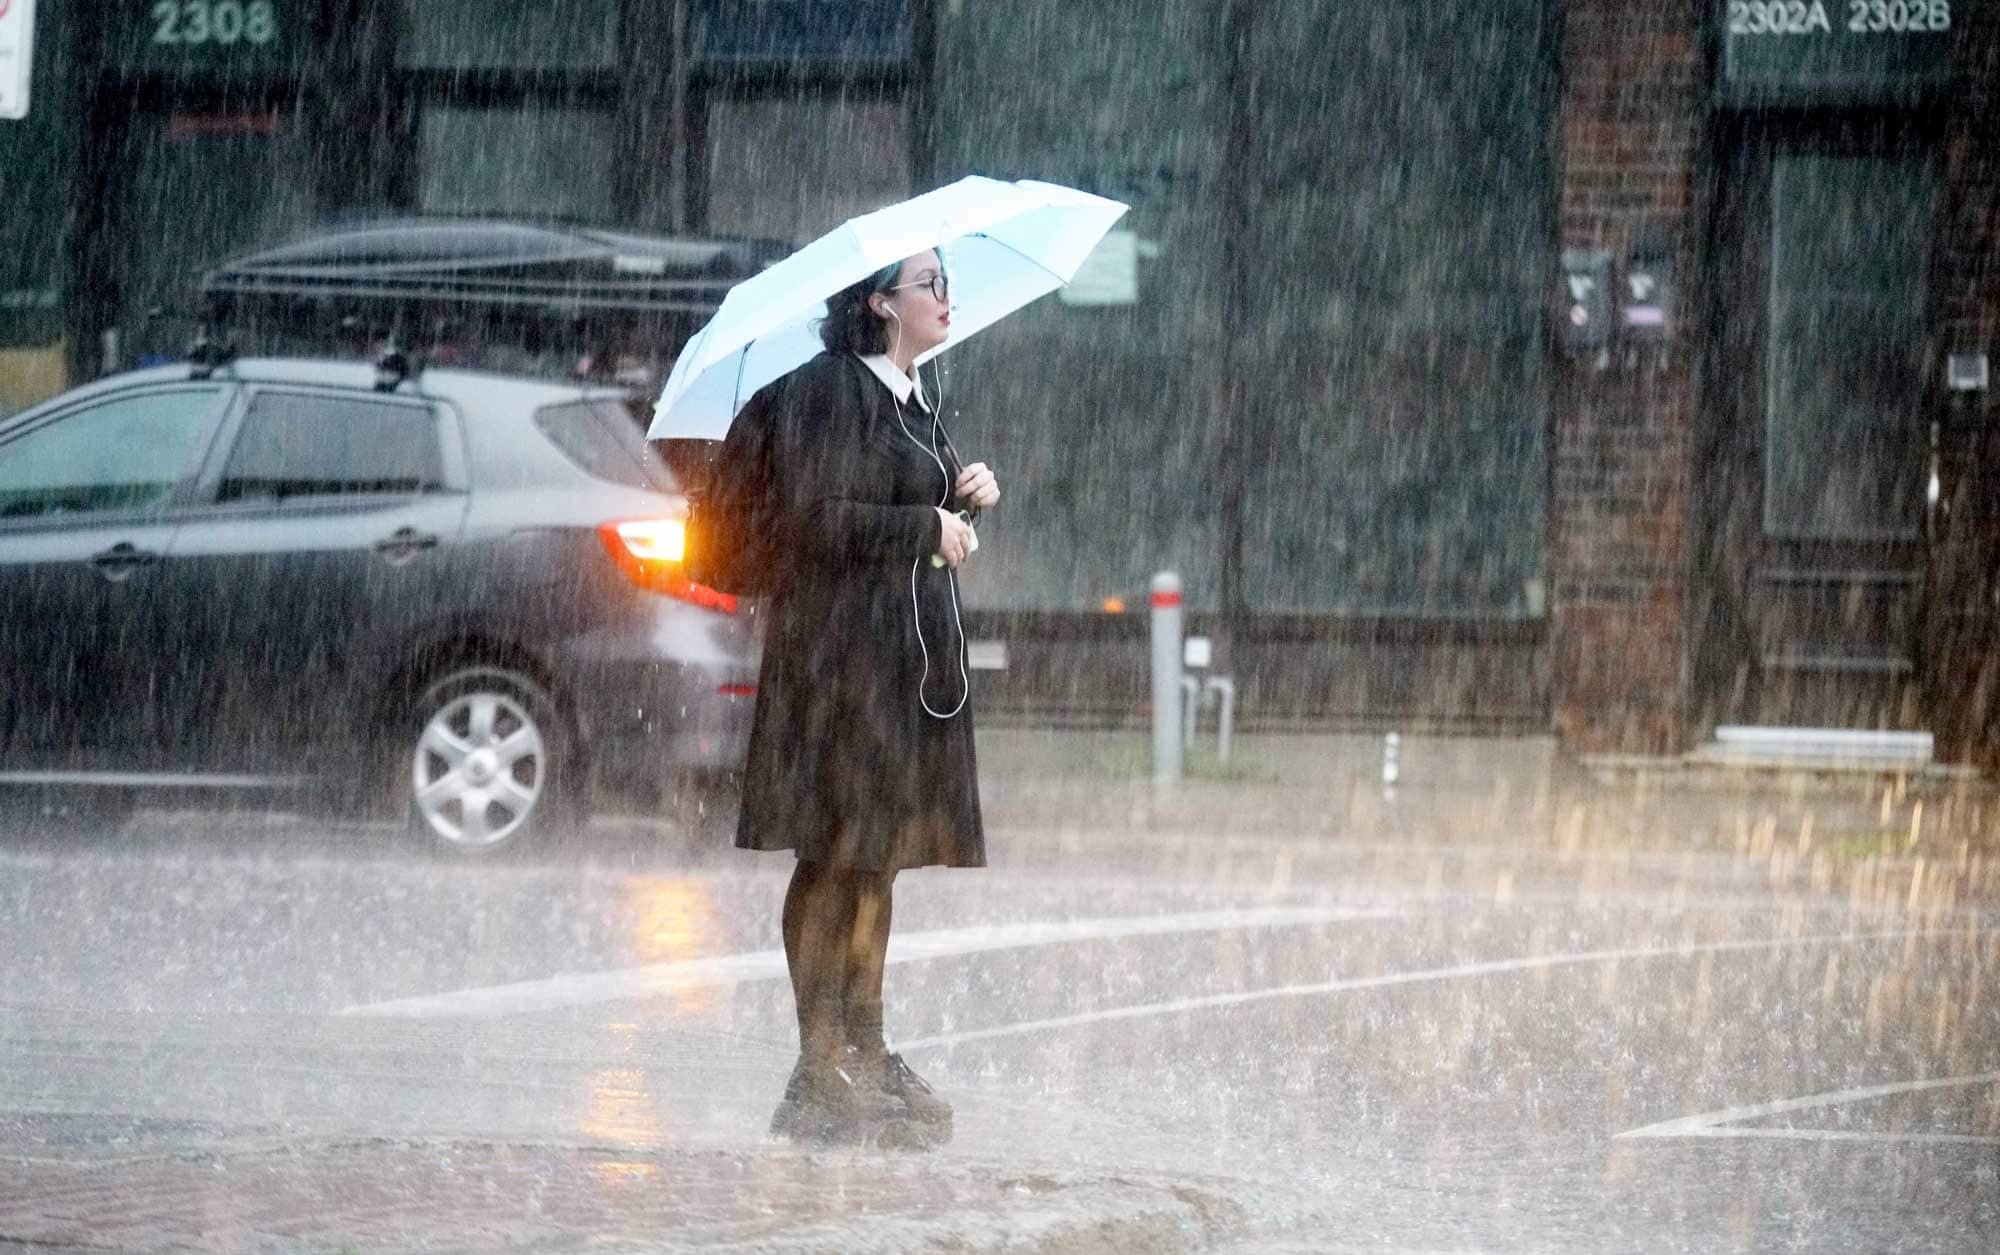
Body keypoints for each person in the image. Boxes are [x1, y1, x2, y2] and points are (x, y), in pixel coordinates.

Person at [735, 248, 999, 1149]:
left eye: (946, 282)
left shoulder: (910, 396)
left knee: (875, 858)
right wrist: (926, 523)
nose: (946, 297)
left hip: (900, 663)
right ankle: (819, 1065)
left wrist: (967, 501)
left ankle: (866, 1046)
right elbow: (816, 517)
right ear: (882, 302)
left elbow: (902, 519)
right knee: (833, 854)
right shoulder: (829, 390)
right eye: (932, 283)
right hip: (835, 664)